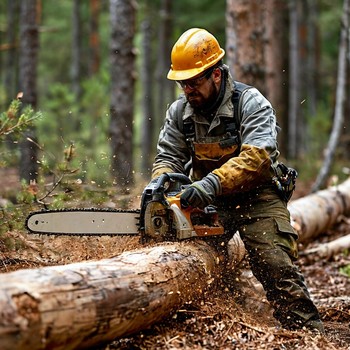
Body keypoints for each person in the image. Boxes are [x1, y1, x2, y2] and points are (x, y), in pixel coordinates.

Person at [151, 28, 324, 333]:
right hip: (208, 201)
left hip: (258, 198)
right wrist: (162, 185)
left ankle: (307, 333)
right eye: (183, 83)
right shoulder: (180, 112)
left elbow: (258, 158)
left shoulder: (250, 102)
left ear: (216, 75)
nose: (188, 90)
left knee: (275, 265)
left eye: (194, 82)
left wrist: (209, 184)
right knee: (188, 262)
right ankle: (224, 320)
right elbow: (168, 156)